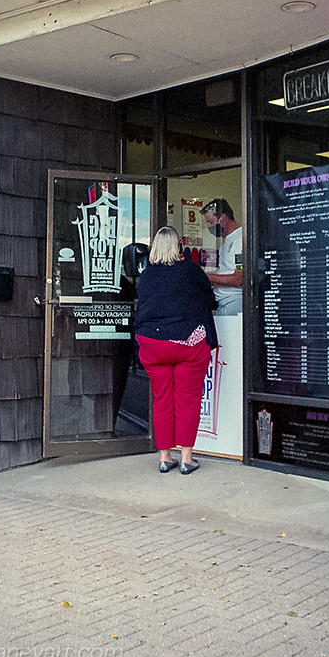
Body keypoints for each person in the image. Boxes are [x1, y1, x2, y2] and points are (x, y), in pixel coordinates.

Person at [135, 226, 218, 475]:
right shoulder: (191, 270)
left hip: (153, 344)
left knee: (162, 400)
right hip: (187, 344)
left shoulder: (147, 275)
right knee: (187, 401)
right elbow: (210, 299)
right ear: (178, 247)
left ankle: (164, 457)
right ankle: (186, 459)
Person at [200, 198, 243, 316]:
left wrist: (206, 277)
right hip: (224, 304)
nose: (209, 226)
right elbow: (227, 272)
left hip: (235, 305)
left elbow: (240, 279)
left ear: (222, 219)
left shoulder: (240, 239)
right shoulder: (227, 241)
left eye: (211, 222)